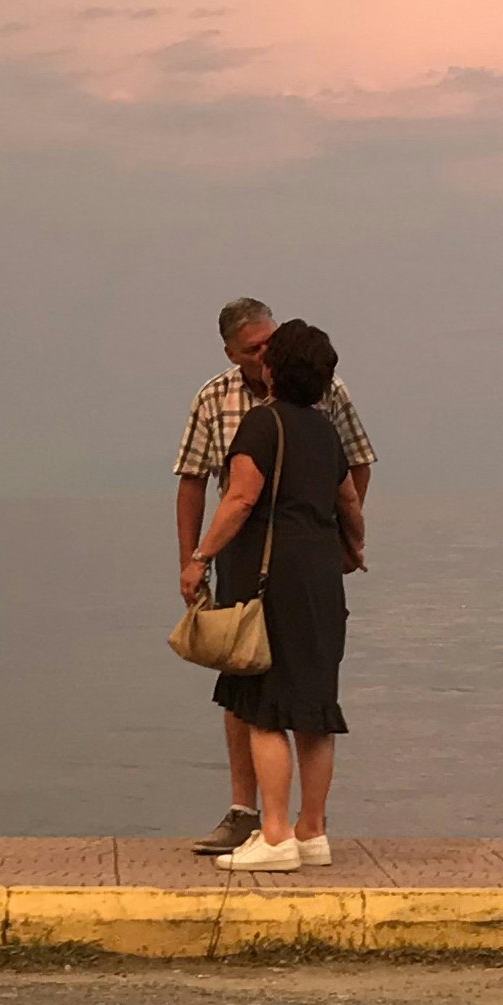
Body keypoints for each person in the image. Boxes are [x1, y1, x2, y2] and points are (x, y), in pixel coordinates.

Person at [174, 298, 373, 855]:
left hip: (267, 572)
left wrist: (198, 558)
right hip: (320, 577)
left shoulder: (263, 424)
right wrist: (353, 548)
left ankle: (276, 832)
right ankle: (313, 831)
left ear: (278, 366)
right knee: (314, 707)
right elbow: (351, 500)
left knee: (261, 706)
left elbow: (238, 499)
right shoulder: (323, 429)